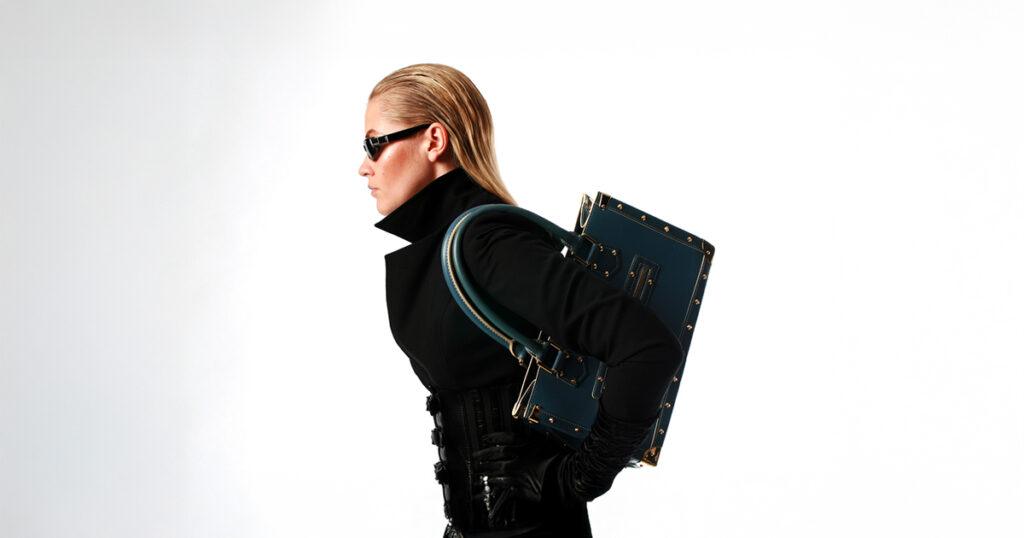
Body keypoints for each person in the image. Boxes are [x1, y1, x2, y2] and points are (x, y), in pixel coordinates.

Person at [358, 63, 684, 538]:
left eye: (374, 143)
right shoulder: (451, 245)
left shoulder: (486, 242)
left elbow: (647, 346)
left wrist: (579, 477)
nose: (364, 166)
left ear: (434, 140)